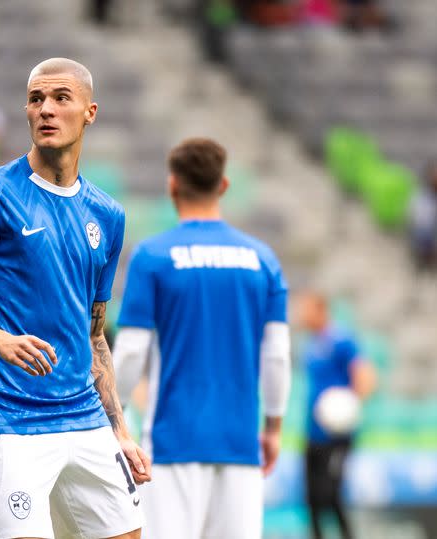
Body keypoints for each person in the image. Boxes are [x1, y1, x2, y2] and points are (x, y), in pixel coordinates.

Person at [0, 58, 148, 539]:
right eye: (36, 99)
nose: (45, 109)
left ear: (90, 112)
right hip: (6, 416)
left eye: (60, 99)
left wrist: (120, 431)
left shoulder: (107, 215)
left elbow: (94, 336)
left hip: (84, 415)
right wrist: (0, 341)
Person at [113, 138, 291, 539]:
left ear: (172, 184)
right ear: (224, 185)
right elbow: (277, 355)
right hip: (240, 441)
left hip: (172, 441)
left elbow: (130, 352)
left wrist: (115, 421)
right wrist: (274, 428)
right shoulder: (262, 259)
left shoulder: (153, 256)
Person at [297, 291, 376, 539]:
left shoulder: (341, 339)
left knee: (330, 494)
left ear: (321, 310)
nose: (300, 315)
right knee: (311, 498)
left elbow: (365, 375)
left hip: (337, 435)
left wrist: (348, 406)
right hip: (313, 431)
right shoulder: (310, 343)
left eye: (306, 309)